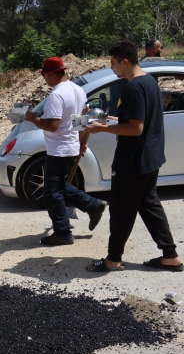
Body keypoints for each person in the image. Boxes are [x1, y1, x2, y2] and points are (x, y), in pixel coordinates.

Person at [86, 40, 183, 272]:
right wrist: (112, 121)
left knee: (120, 209)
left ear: (125, 61)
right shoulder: (149, 81)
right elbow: (136, 120)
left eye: (113, 63)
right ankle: (170, 255)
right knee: (149, 205)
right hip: (150, 158)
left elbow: (136, 129)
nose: (111, 67)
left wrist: (101, 129)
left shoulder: (132, 87)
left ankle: (113, 259)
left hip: (133, 161)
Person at [24, 57, 106, 246]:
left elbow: (52, 125)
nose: (44, 78)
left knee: (51, 193)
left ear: (52, 74)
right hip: (70, 146)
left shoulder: (57, 95)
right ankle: (92, 205)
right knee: (57, 186)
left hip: (59, 149)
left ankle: (63, 231)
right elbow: (83, 119)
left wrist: (33, 118)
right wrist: (82, 140)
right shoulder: (78, 90)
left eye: (44, 74)